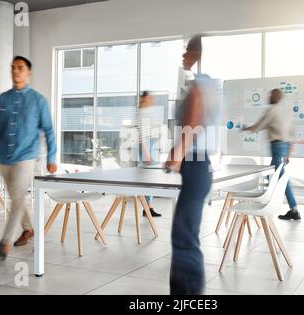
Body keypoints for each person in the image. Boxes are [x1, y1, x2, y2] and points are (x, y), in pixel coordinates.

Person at [0, 56, 57, 259]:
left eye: (20, 68)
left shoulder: (39, 101)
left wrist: (51, 158)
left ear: (29, 73)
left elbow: (48, 130)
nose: (16, 71)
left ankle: (5, 242)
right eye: (13, 68)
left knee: (18, 196)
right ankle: (29, 228)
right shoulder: (1, 100)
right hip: (4, 156)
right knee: (16, 198)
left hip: (26, 156)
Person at [165, 35, 222, 295]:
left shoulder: (201, 85)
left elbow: (195, 119)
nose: (183, 56)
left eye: (187, 51)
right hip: (197, 165)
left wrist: (178, 150)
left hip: (196, 164)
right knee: (184, 232)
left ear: (198, 54)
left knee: (184, 235)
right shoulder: (204, 85)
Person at [242, 88, 301, 221]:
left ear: (275, 97)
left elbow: (259, 125)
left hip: (277, 146)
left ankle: (292, 208)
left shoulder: (272, 110)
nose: (268, 96)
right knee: (272, 175)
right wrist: (289, 153)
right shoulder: (287, 111)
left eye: (270, 94)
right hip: (284, 146)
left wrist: (246, 128)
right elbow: (292, 133)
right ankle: (270, 203)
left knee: (280, 177)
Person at [135, 91, 162, 217]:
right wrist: (147, 155)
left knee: (150, 179)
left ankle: (148, 207)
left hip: (150, 147)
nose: (152, 100)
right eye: (150, 98)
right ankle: (147, 208)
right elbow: (142, 137)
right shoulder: (142, 114)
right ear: (145, 99)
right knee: (149, 179)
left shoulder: (145, 112)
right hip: (147, 148)